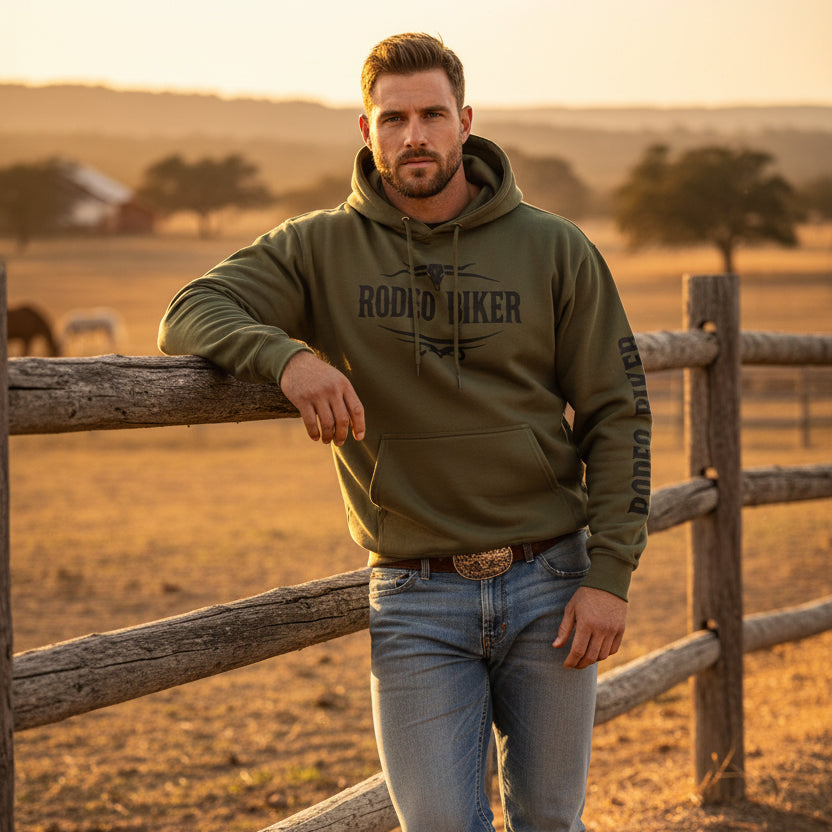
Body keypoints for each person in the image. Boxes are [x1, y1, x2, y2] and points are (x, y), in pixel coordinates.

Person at [158, 32, 651, 832]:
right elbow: (188, 312)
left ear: (465, 120)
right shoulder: (320, 247)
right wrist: (288, 359)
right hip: (416, 597)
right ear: (366, 131)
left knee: (551, 821)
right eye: (393, 119)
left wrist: (612, 575)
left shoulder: (555, 247)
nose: (412, 135)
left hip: (551, 583)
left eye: (430, 115)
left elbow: (616, 411)